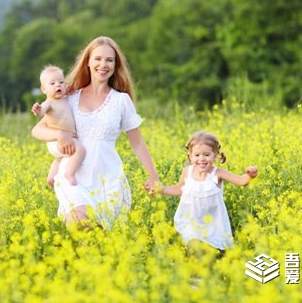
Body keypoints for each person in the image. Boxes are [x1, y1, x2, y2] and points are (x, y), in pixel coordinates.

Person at [31, 36, 159, 229]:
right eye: (98, 59)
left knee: (102, 241)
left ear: (116, 66)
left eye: (109, 60)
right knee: (80, 223)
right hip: (73, 178)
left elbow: (138, 142)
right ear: (88, 62)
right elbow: (38, 130)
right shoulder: (70, 98)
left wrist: (154, 176)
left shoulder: (121, 101)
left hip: (108, 178)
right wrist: (60, 135)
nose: (103, 64)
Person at [155, 131, 258, 255]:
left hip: (214, 222)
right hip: (191, 221)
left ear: (215, 155)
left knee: (217, 250)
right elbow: (178, 188)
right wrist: (162, 189)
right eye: (197, 155)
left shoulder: (218, 173)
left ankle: (216, 257)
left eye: (207, 154)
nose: (201, 159)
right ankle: (197, 266)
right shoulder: (187, 172)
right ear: (190, 156)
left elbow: (241, 181)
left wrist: (250, 175)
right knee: (194, 244)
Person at [31, 65, 85, 187]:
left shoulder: (66, 99)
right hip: (58, 140)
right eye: (52, 83)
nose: (58, 85)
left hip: (59, 144)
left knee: (60, 159)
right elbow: (41, 112)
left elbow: (73, 89)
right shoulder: (49, 103)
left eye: (61, 82)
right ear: (44, 89)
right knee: (80, 150)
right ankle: (69, 174)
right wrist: (38, 110)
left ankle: (51, 178)